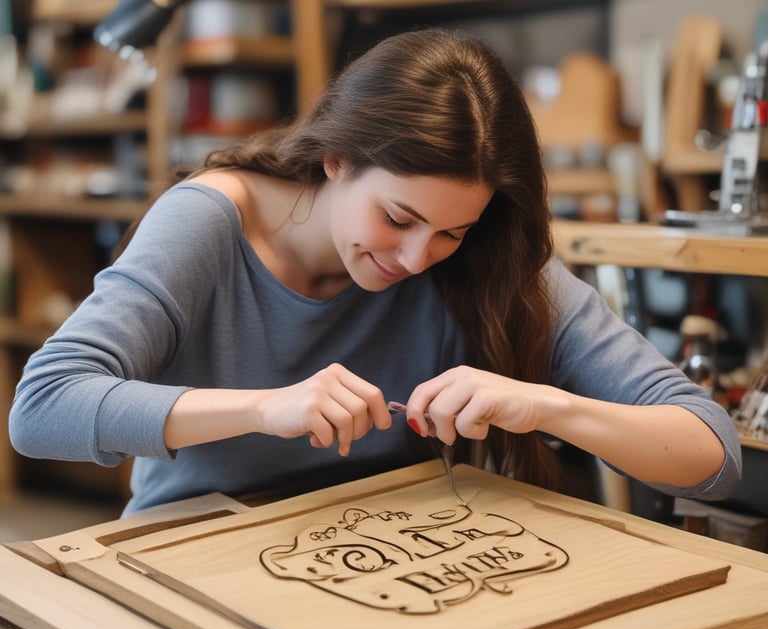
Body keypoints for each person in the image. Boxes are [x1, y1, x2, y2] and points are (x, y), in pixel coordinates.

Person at [9, 28, 741, 516]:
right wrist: (264, 408)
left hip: (386, 557)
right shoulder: (208, 220)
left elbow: (713, 452)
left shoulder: (487, 258)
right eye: (397, 218)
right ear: (336, 159)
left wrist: (549, 405)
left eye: (452, 230)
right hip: (194, 556)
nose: (417, 258)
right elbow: (42, 410)